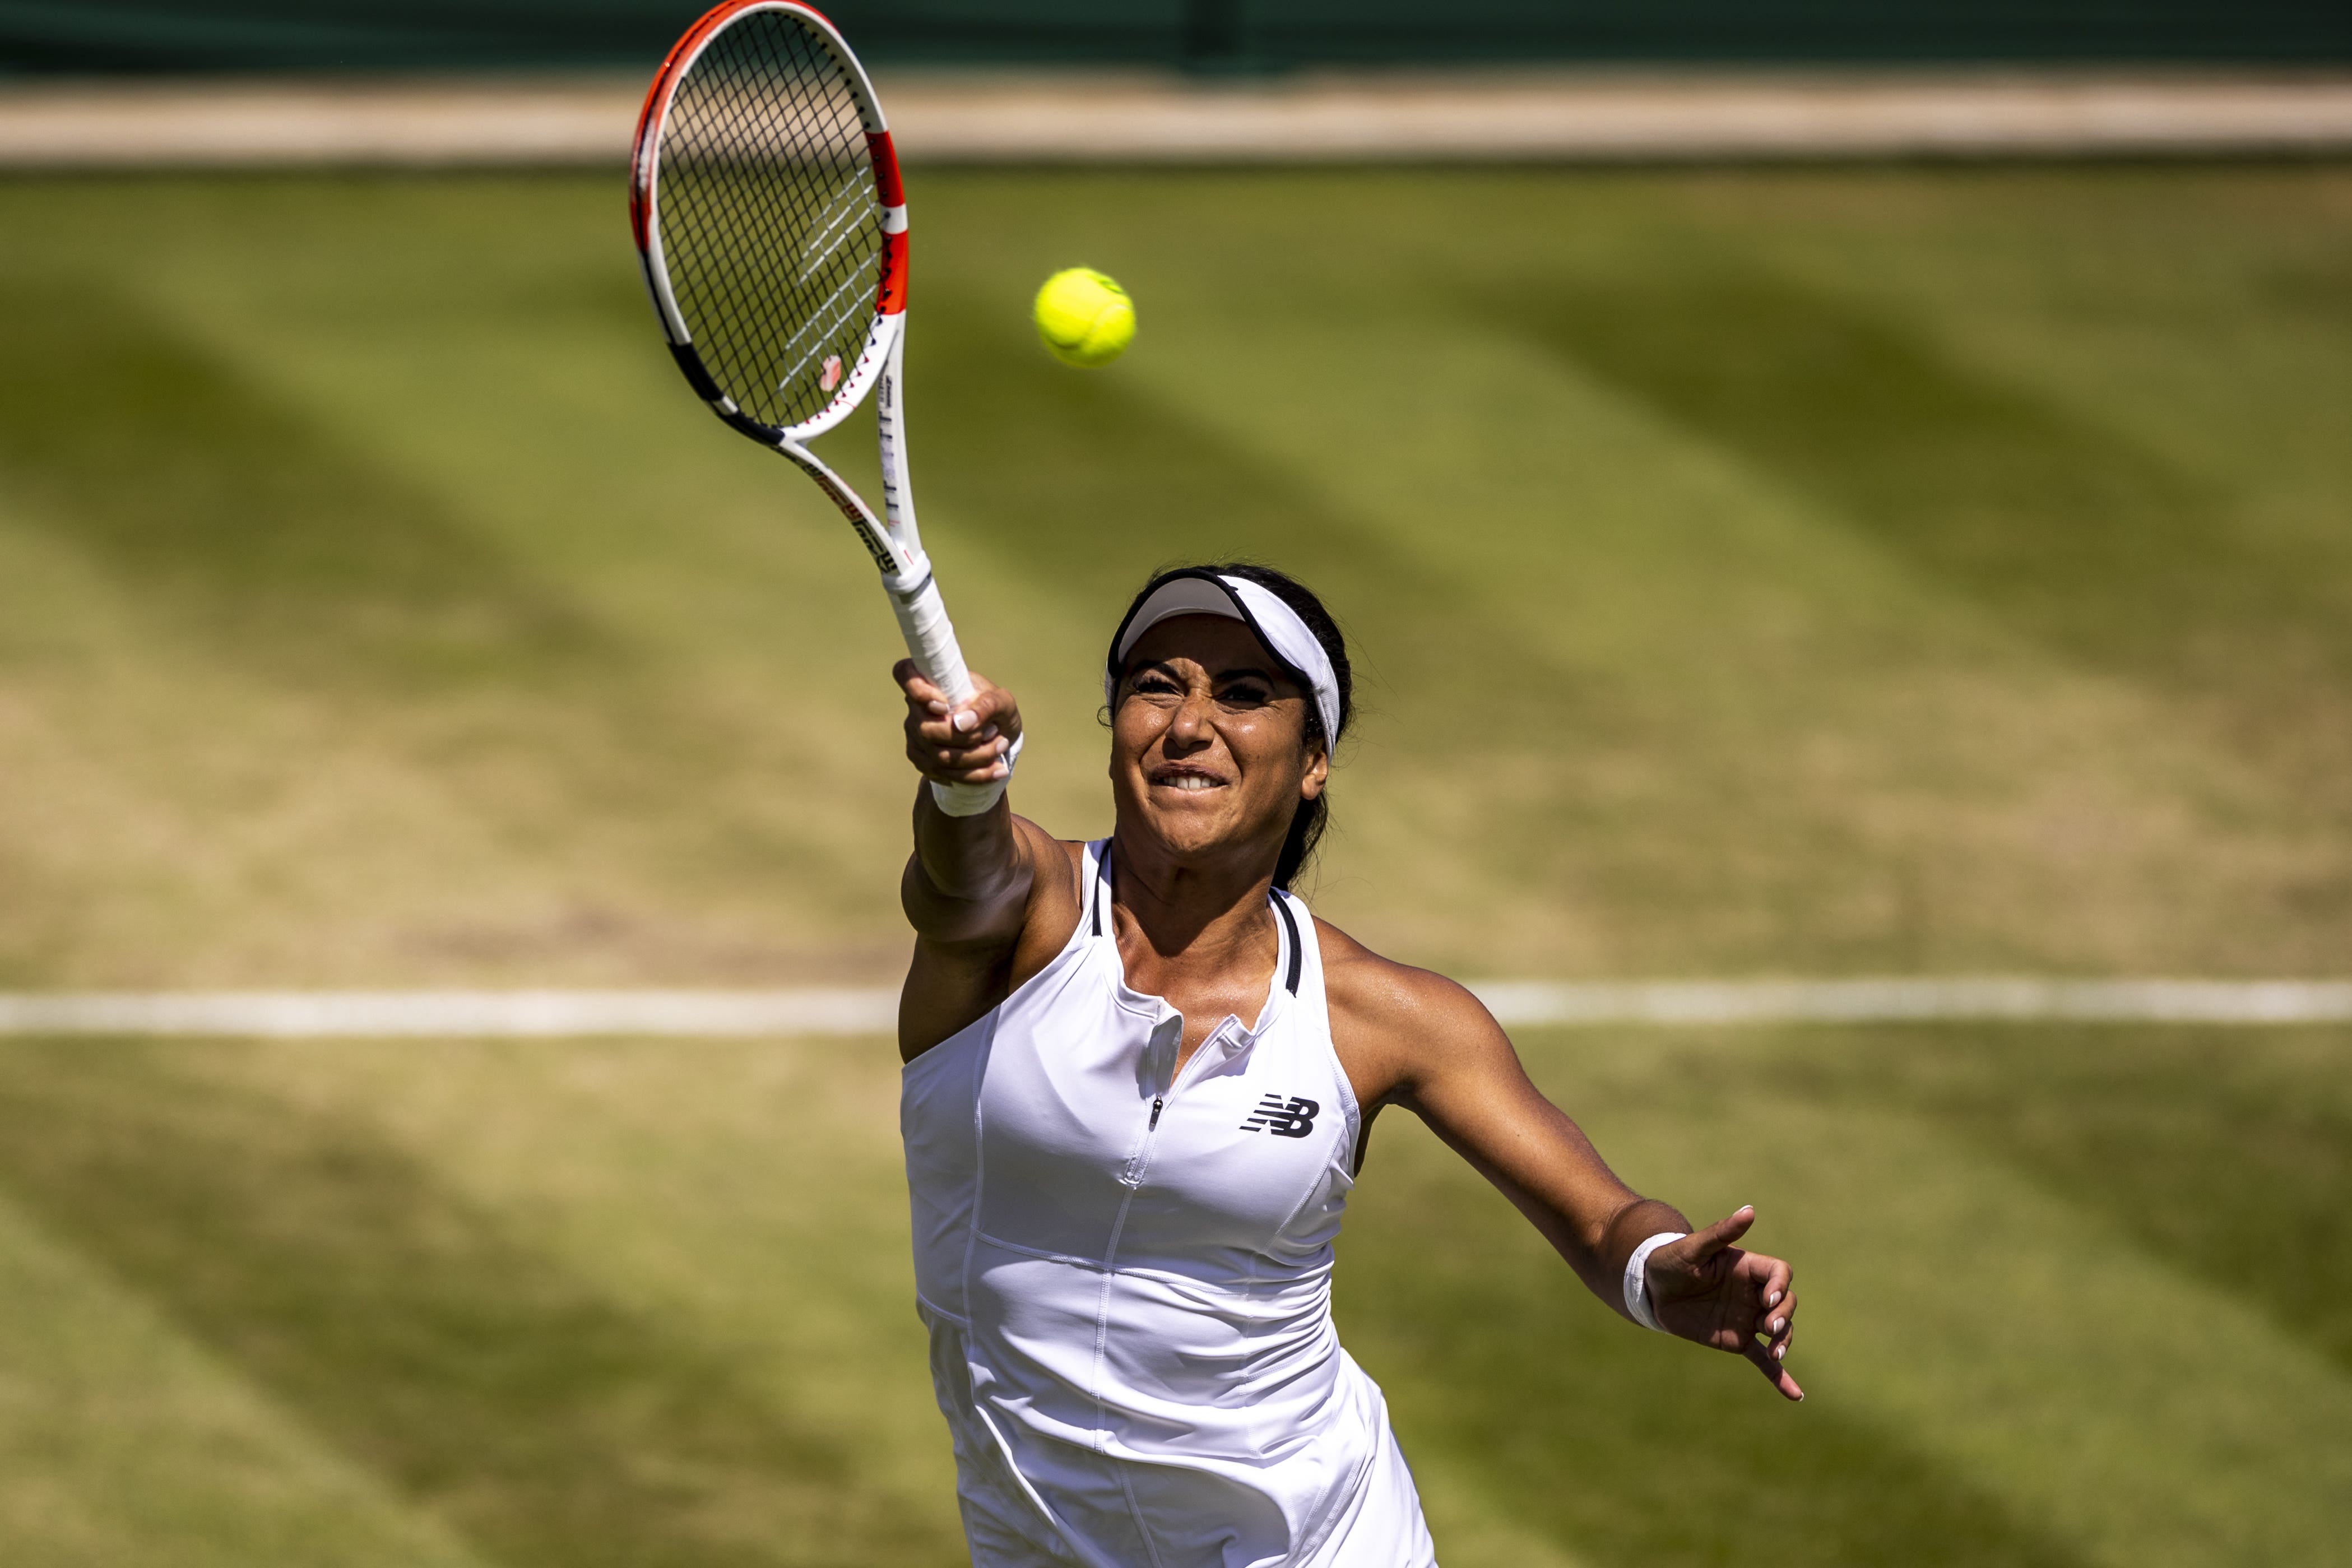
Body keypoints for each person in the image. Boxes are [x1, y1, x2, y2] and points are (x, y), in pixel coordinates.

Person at [894, 563, 1801, 1568]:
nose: (1190, 722)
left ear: (1313, 757)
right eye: (1158, 684)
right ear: (1113, 724)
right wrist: (963, 785)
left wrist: (1655, 1271)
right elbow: (959, 876)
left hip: (1322, 1543)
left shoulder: (1388, 1016)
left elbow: (1598, 1215)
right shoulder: (1027, 915)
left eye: (1242, 694)